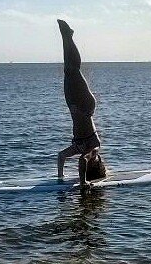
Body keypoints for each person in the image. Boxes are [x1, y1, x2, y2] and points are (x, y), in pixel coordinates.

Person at [57, 19, 107, 188]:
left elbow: (61, 156)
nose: (96, 158)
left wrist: (60, 178)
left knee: (68, 70)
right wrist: (83, 182)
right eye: (97, 160)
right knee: (74, 70)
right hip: (86, 106)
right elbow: (83, 159)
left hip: (73, 106)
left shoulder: (80, 149)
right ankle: (68, 37)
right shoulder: (95, 148)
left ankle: (66, 36)